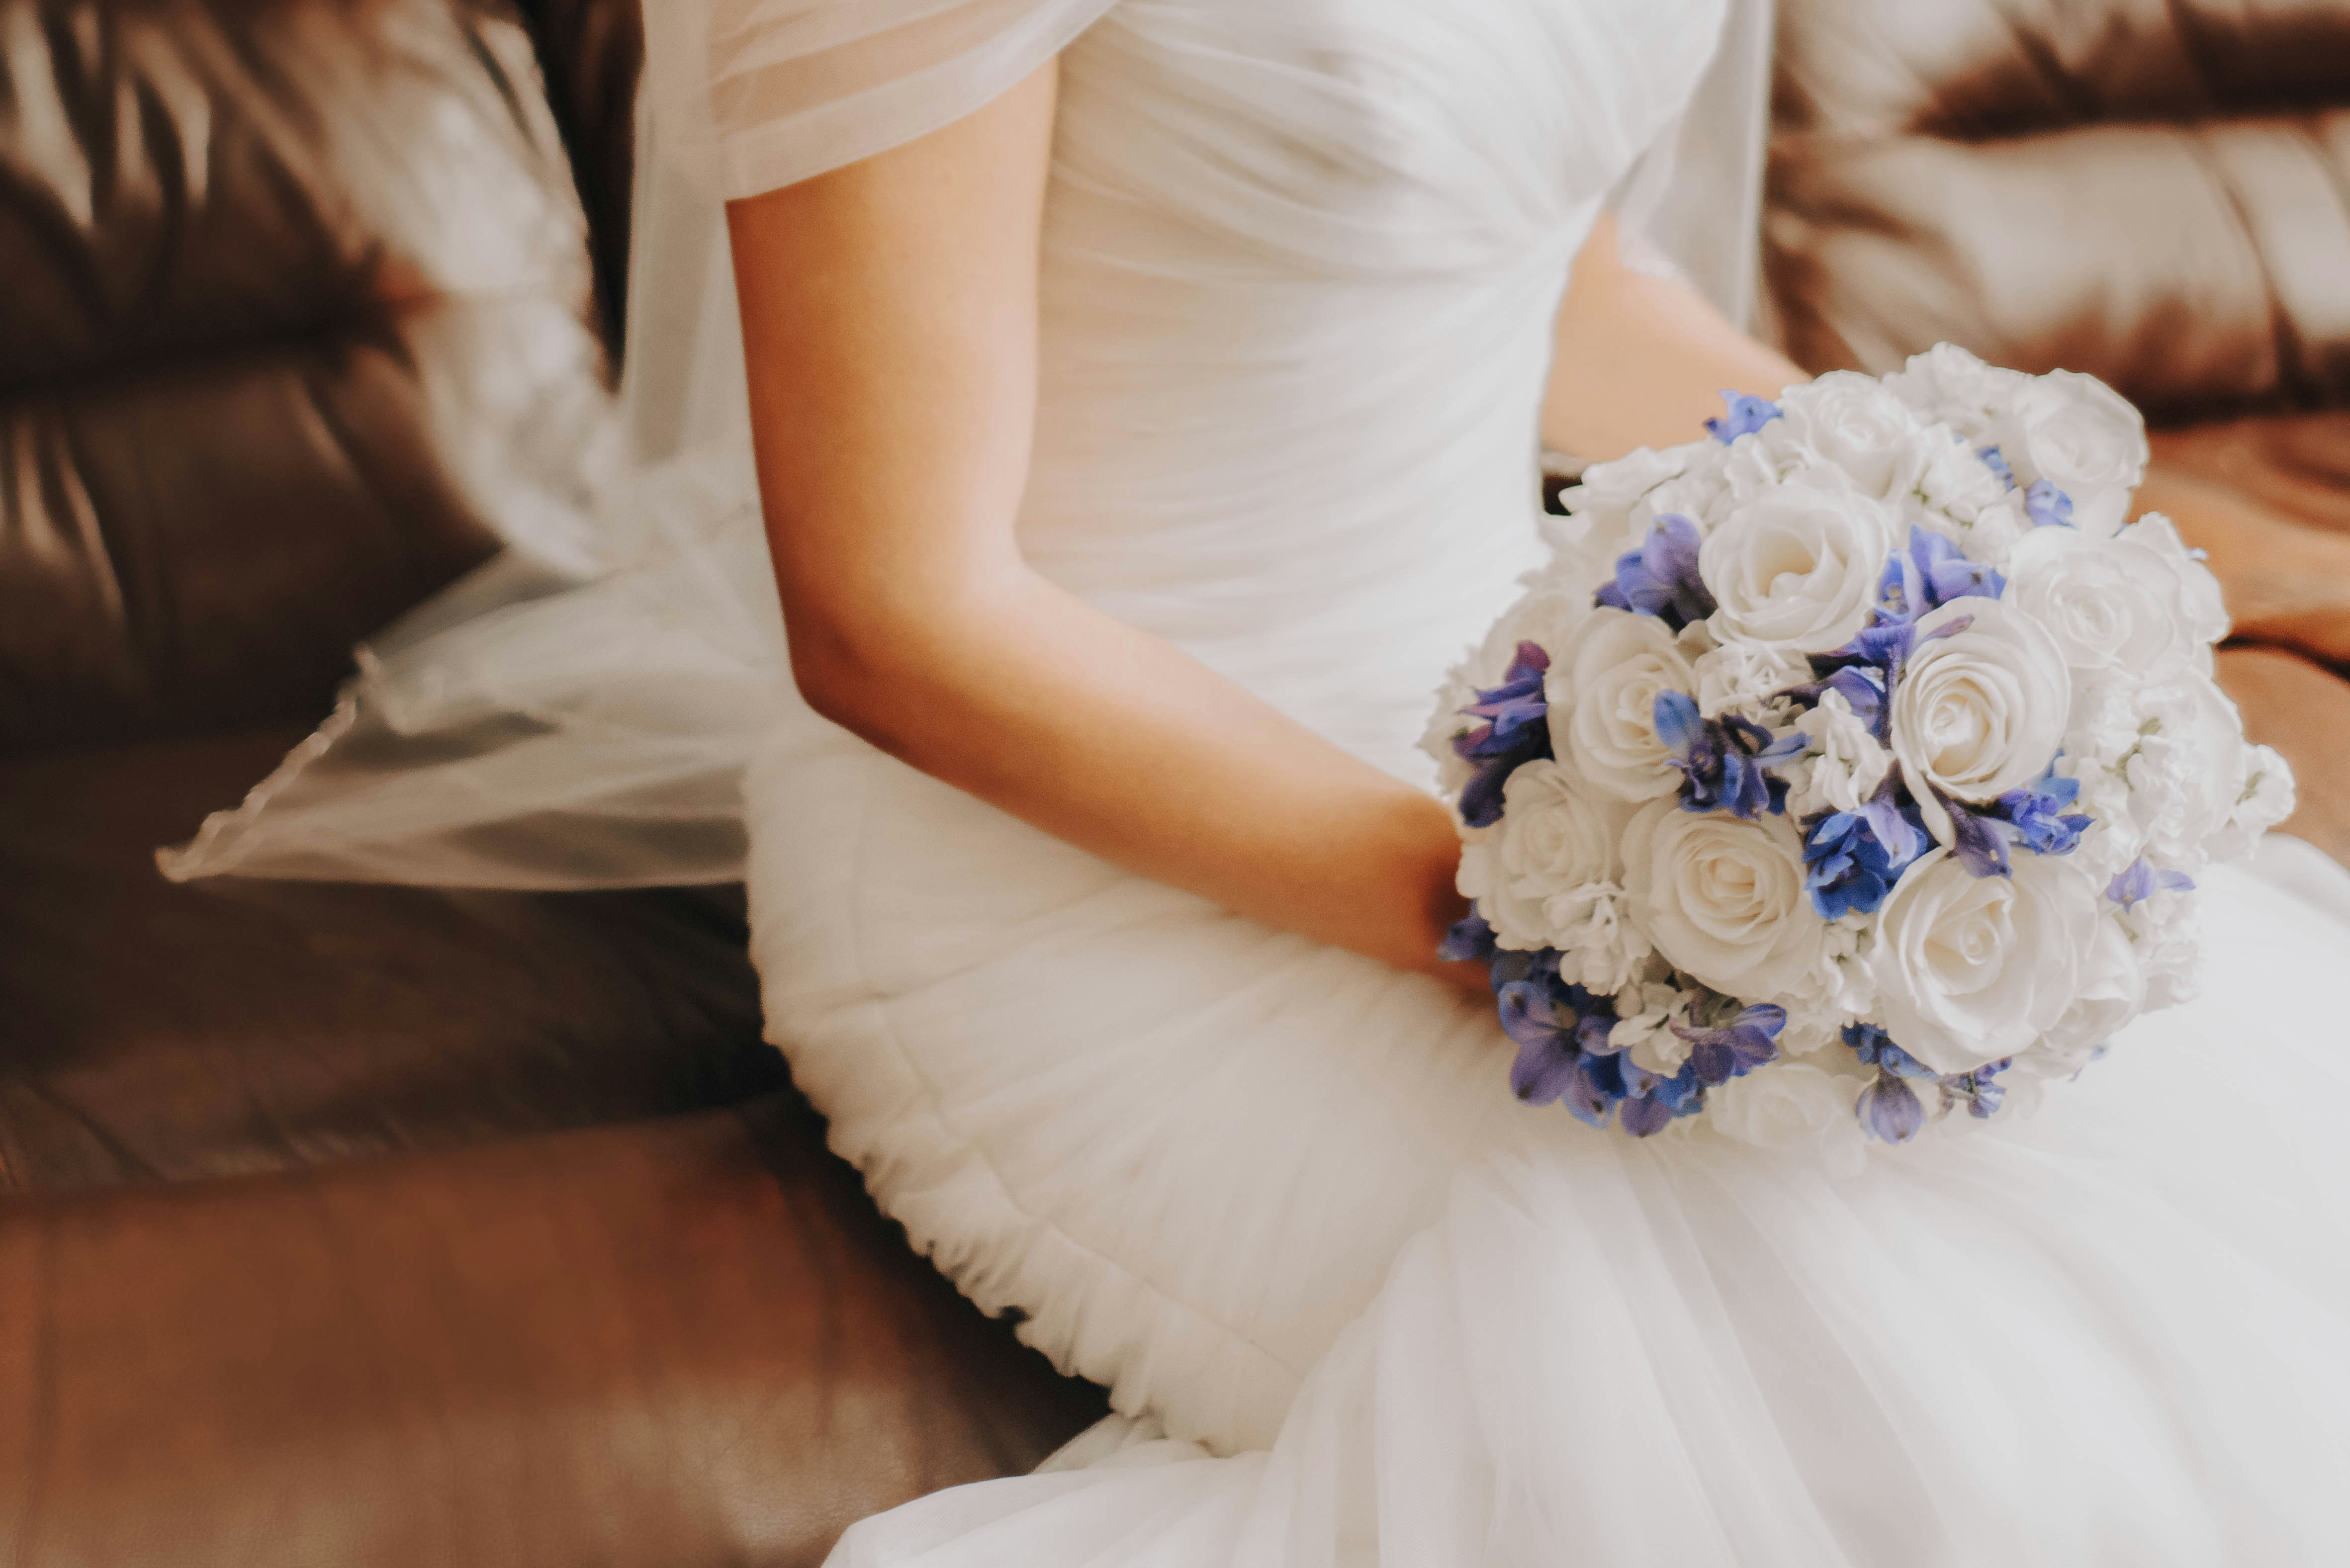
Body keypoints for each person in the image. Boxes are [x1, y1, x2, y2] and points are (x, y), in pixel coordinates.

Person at [169, 0, 2350, 1560]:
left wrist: (1994, 545)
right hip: (1084, 860)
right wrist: (1552, 910)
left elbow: (1551, 279)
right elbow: (891, 611)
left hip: (1531, 724)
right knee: (1909, 1398)